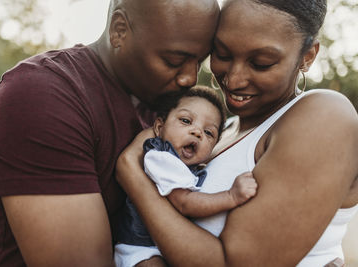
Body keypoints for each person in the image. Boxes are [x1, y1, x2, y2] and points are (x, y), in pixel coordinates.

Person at [115, 0, 358, 266]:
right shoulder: (225, 129)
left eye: (261, 63)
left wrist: (133, 176)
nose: (233, 79)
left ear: (307, 56)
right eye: (223, 54)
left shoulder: (325, 115)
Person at [0, 0, 220, 266]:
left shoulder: (169, 105)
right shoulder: (42, 96)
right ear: (119, 30)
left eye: (199, 61)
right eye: (174, 60)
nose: (190, 78)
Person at [114, 87, 257, 267]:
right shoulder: (161, 158)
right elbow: (185, 203)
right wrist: (231, 196)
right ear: (159, 127)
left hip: (159, 248)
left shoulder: (185, 167)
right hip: (140, 249)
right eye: (185, 120)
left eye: (208, 133)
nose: (197, 132)